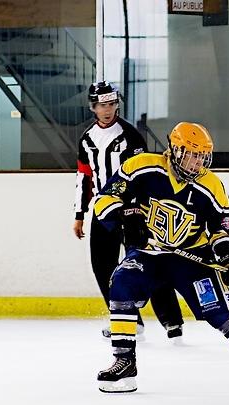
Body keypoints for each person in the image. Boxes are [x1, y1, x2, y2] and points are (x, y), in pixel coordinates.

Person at [92, 122, 229, 394]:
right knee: (122, 284)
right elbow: (104, 199)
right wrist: (125, 217)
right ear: (174, 149)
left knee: (221, 314)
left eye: (202, 156)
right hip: (150, 253)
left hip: (192, 258)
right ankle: (124, 362)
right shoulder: (142, 166)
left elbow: (223, 226)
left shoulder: (212, 185)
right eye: (191, 154)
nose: (197, 162)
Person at [73, 81, 184, 340]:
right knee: (103, 267)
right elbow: (84, 177)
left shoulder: (130, 135)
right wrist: (80, 214)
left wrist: (144, 209)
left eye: (112, 103)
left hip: (133, 210)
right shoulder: (87, 139)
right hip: (103, 212)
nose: (108, 109)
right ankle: (129, 320)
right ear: (93, 107)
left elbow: (144, 175)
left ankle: (171, 320)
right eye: (102, 105)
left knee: (147, 262)